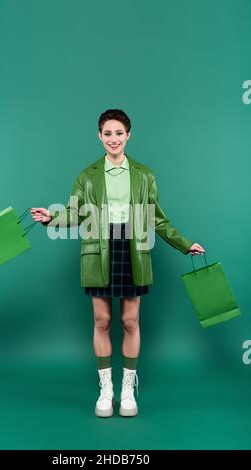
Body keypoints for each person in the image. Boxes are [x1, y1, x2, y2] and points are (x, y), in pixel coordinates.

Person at [31, 109, 205, 418]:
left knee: (130, 322)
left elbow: (158, 220)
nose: (113, 139)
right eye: (107, 133)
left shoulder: (144, 175)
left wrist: (184, 244)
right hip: (98, 248)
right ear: (99, 136)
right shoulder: (86, 176)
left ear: (129, 135)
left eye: (119, 133)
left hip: (132, 248)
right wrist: (51, 218)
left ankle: (127, 391)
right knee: (101, 322)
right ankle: (106, 390)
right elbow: (75, 214)